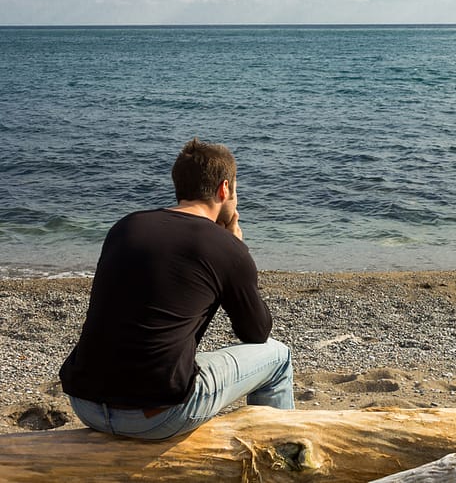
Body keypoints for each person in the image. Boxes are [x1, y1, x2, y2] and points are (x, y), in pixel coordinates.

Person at [59, 138, 294, 440]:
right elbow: (256, 333)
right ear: (225, 188)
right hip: (156, 415)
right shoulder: (225, 247)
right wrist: (236, 249)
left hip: (86, 403)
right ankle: (280, 454)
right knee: (278, 356)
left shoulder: (126, 226)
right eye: (235, 190)